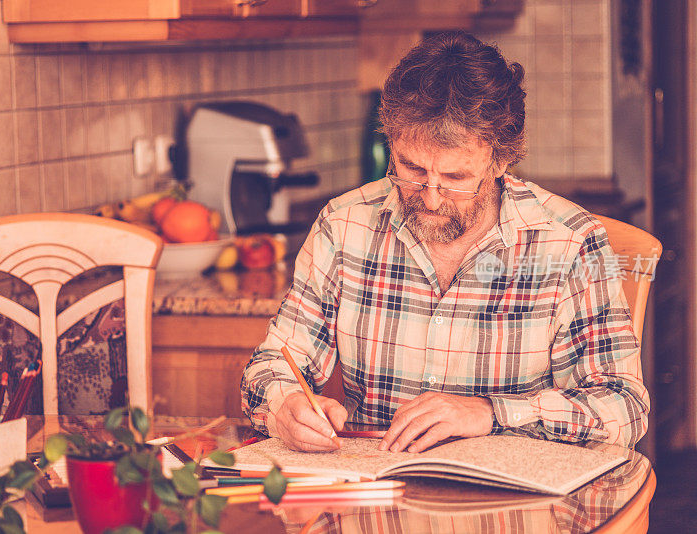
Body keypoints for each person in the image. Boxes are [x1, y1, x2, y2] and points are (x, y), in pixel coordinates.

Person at [240, 31, 649, 453]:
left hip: (510, 507)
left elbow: (624, 407)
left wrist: (490, 413)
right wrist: (284, 404)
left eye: (455, 178)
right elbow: (270, 367)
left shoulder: (570, 243)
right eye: (412, 169)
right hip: (377, 498)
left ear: (500, 160)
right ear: (391, 142)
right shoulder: (344, 225)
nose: (431, 198)